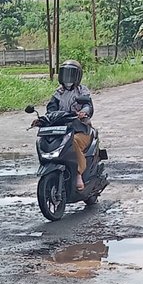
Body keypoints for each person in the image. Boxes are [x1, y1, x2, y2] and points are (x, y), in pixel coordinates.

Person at [44, 60, 95, 190]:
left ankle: (78, 173)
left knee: (73, 141)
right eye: (65, 74)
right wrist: (43, 119)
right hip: (61, 130)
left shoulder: (82, 91)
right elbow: (51, 109)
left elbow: (88, 105)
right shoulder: (58, 93)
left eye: (71, 75)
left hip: (80, 130)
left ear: (77, 76)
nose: (68, 78)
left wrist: (83, 112)